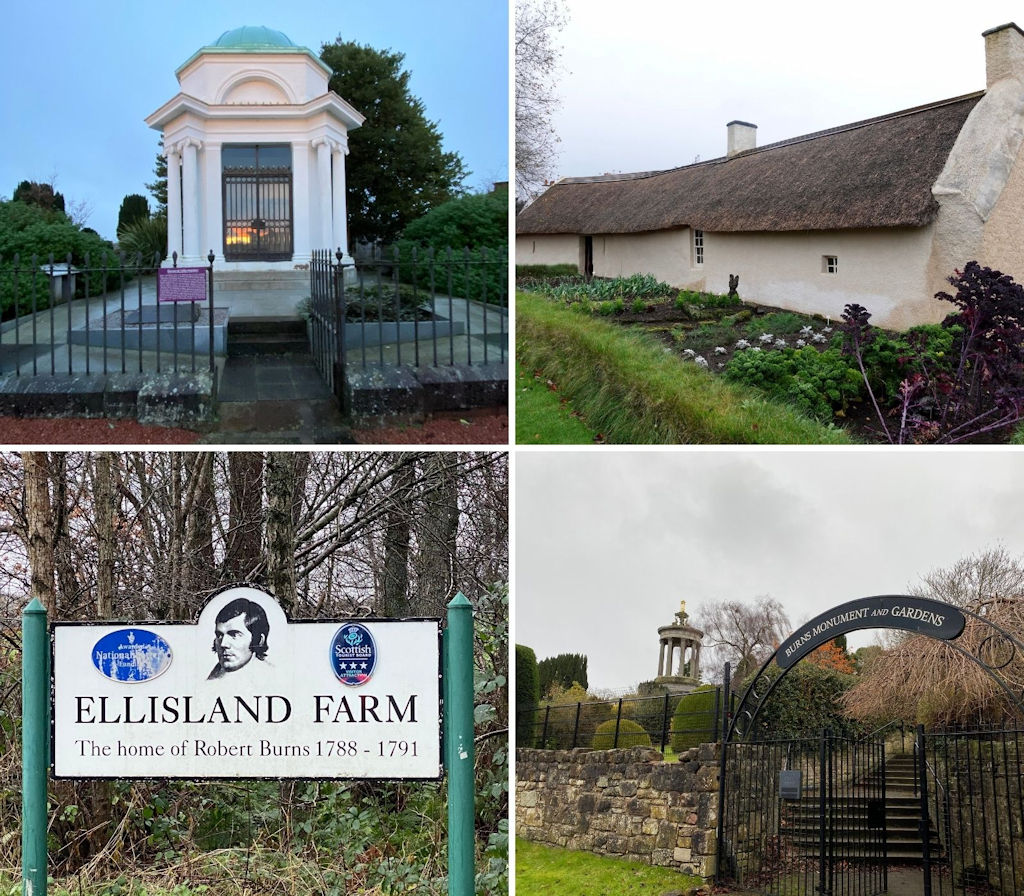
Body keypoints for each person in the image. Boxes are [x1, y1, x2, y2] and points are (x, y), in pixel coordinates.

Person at [208, 598, 271, 680]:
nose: (223, 644)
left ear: (259, 640)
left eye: (234, 635)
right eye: (219, 635)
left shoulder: (273, 679)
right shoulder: (211, 679)